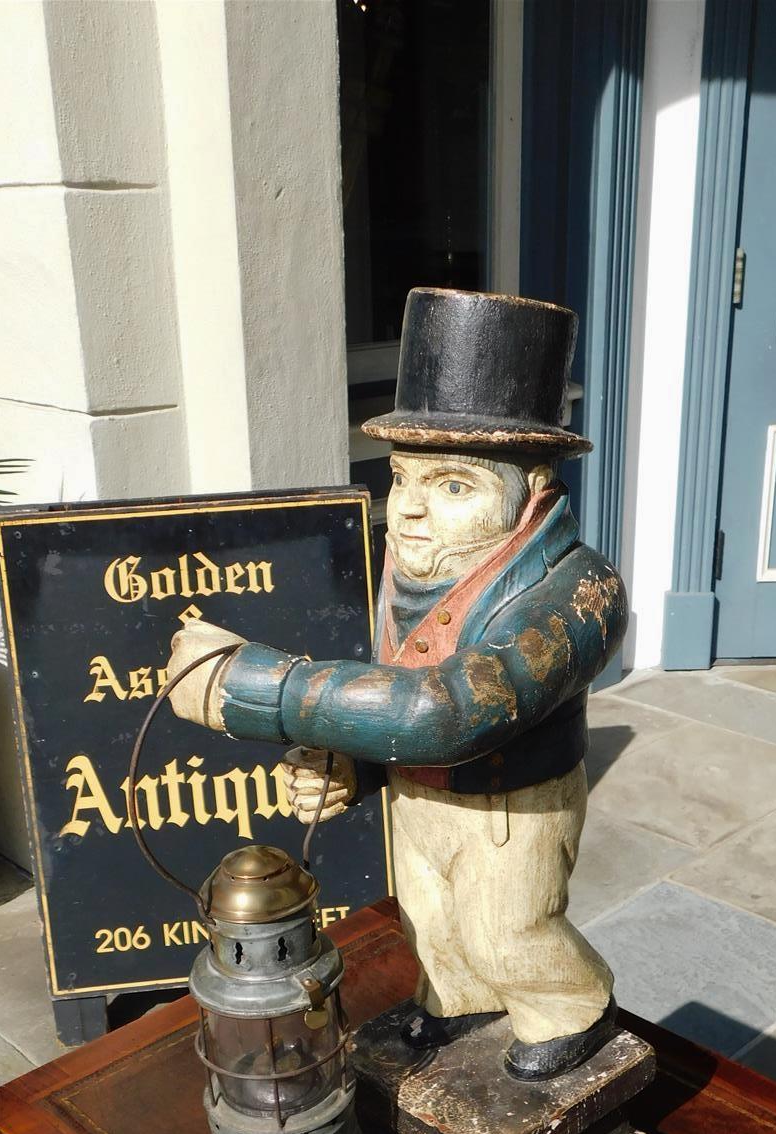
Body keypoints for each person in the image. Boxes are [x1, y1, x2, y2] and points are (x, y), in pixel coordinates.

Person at [167, 288, 629, 1080]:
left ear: (535, 490)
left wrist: (257, 689)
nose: (409, 511)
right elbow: (392, 692)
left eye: (453, 486)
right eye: (403, 479)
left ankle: (571, 1007)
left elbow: (449, 709)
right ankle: (458, 1003)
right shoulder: (410, 571)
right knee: (432, 921)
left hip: (510, 807)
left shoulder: (578, 591)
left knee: (505, 927)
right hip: (418, 797)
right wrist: (350, 762)